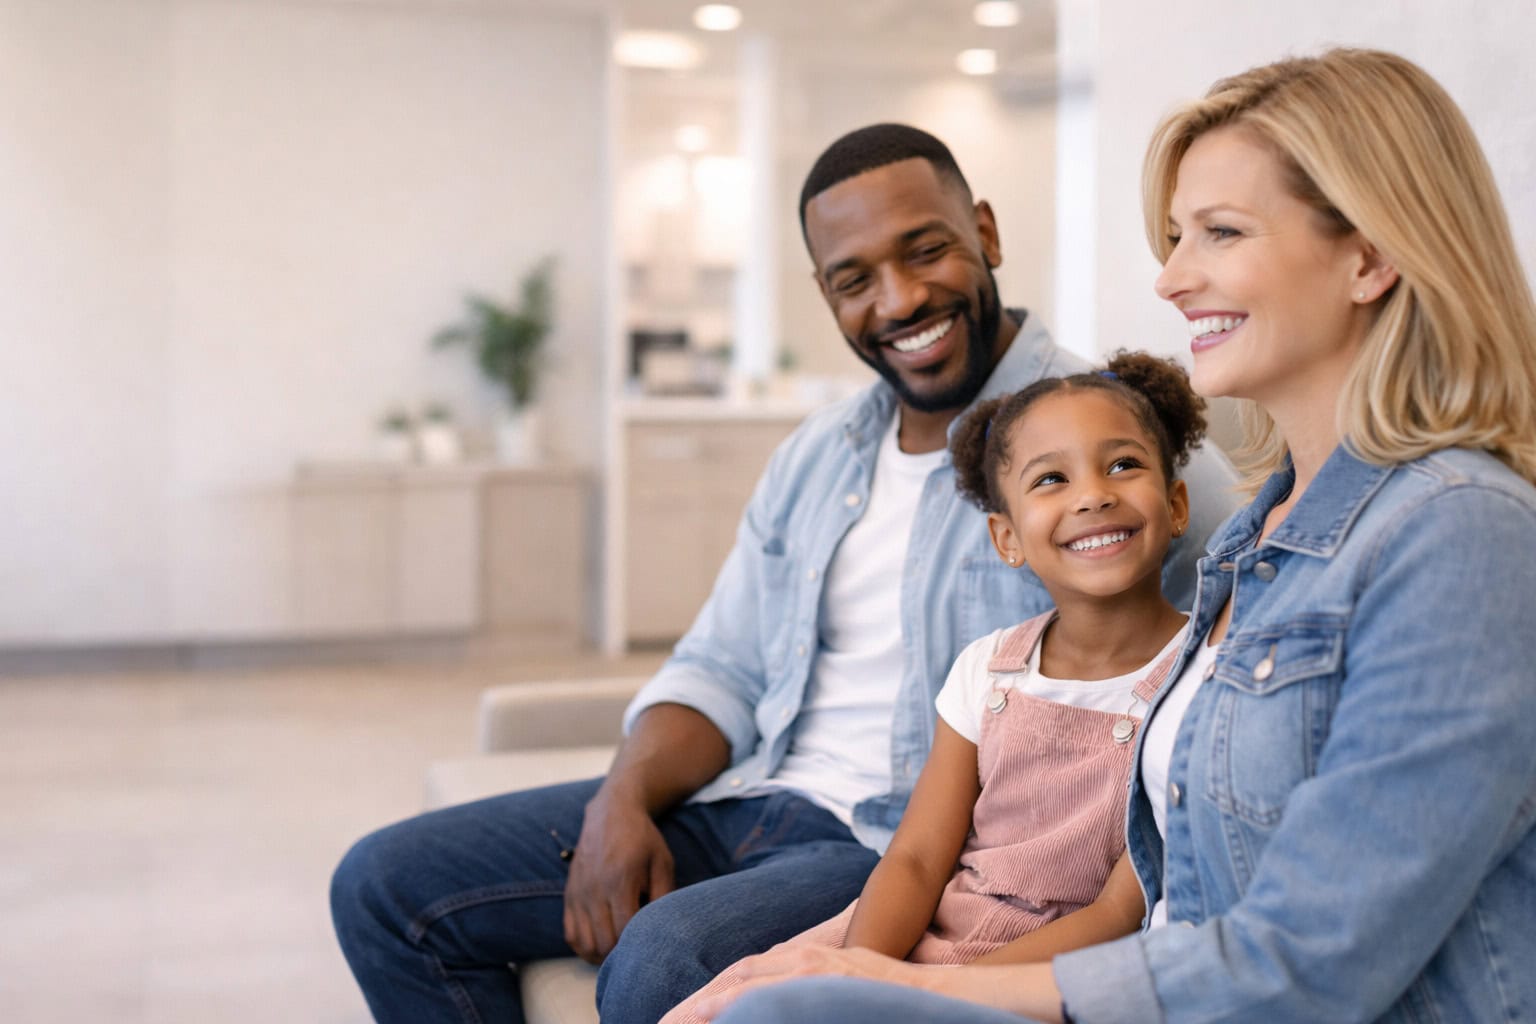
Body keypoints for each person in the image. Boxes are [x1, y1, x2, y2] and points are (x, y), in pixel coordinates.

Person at [694, 48, 1536, 1024]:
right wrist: (855, 958)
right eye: (1176, 236)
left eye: (1219, 232)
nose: (1173, 277)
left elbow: (1305, 962)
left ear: (1371, 255)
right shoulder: (1259, 540)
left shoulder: (1460, 536)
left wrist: (912, 984)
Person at [329, 124, 1240, 1024]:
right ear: (826, 295)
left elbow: (1210, 689)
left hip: (880, 845)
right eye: (855, 280)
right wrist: (623, 797)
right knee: (384, 888)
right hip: (747, 796)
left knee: (663, 964)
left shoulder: (1122, 452)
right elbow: (722, 665)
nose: (899, 299)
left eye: (927, 251)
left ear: (987, 235)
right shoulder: (817, 454)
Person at [663, 352, 1206, 1024]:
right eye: (1051, 479)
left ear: (1176, 505)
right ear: (1006, 538)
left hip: (1048, 976)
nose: (1092, 494)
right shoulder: (988, 669)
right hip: (924, 943)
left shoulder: (1203, 677)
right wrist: (859, 977)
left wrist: (928, 997)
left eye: (1123, 464)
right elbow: (918, 859)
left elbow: (1120, 911)